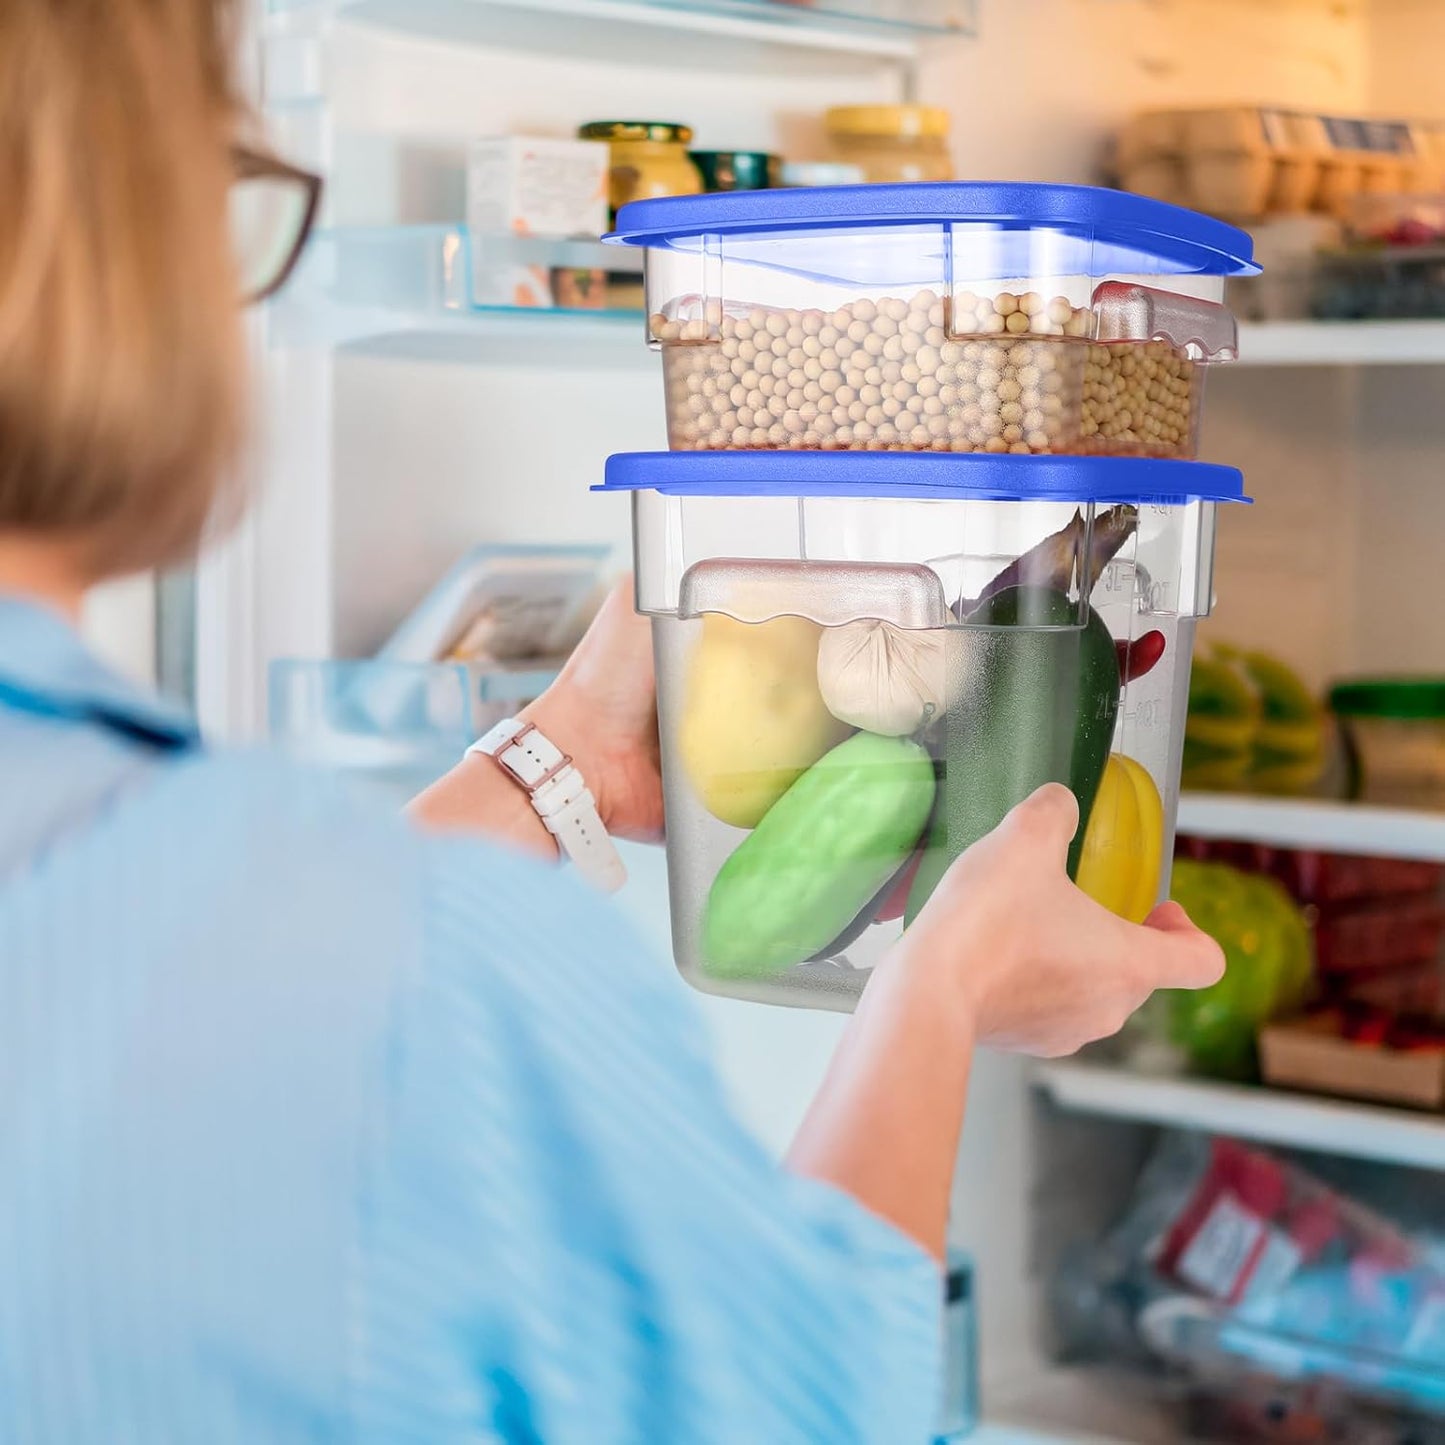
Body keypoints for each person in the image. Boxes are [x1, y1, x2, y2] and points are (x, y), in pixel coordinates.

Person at [0, 2, 1224, 1441]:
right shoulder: (427, 981)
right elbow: (802, 1413)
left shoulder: (293, 942)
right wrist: (937, 990)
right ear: (122, 259)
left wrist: (561, 758)